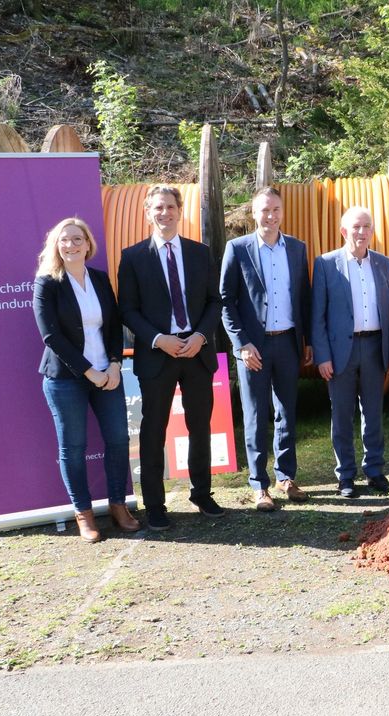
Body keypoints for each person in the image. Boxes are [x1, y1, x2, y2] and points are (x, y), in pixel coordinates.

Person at [117, 185, 223, 531]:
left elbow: (214, 301)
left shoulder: (198, 252)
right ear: (148, 212)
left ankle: (202, 493)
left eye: (170, 207)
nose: (165, 213)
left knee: (200, 427)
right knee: (153, 431)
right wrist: (157, 339)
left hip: (195, 353)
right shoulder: (132, 257)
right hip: (157, 355)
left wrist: (200, 336)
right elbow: (128, 310)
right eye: (158, 208)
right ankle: (155, 505)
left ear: (180, 211)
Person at [33, 218, 136, 542]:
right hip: (65, 379)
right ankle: (84, 514)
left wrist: (116, 365)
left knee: (119, 440)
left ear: (88, 244)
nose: (72, 245)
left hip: (108, 374)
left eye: (78, 239)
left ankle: (118, 506)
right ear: (56, 245)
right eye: (65, 240)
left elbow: (114, 325)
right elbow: (51, 336)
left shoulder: (101, 280)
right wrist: (88, 371)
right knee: (73, 449)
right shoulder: (46, 283)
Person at [220, 187, 313, 512]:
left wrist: (308, 341)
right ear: (254, 213)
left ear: (282, 212)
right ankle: (260, 486)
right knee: (257, 415)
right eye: (264, 210)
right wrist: (242, 344)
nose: (270, 216)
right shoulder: (238, 249)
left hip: (288, 342)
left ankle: (285, 477)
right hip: (253, 348)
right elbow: (226, 303)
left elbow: (304, 299)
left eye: (275, 209)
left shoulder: (298, 249)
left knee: (287, 413)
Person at [312, 206, 389, 498]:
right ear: (343, 231)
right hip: (340, 353)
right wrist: (323, 356)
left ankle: (374, 471)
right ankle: (346, 476)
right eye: (355, 227)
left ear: (372, 231)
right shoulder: (326, 265)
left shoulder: (384, 264)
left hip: (375, 347)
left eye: (366, 227)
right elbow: (318, 316)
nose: (361, 233)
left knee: (373, 413)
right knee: (341, 415)